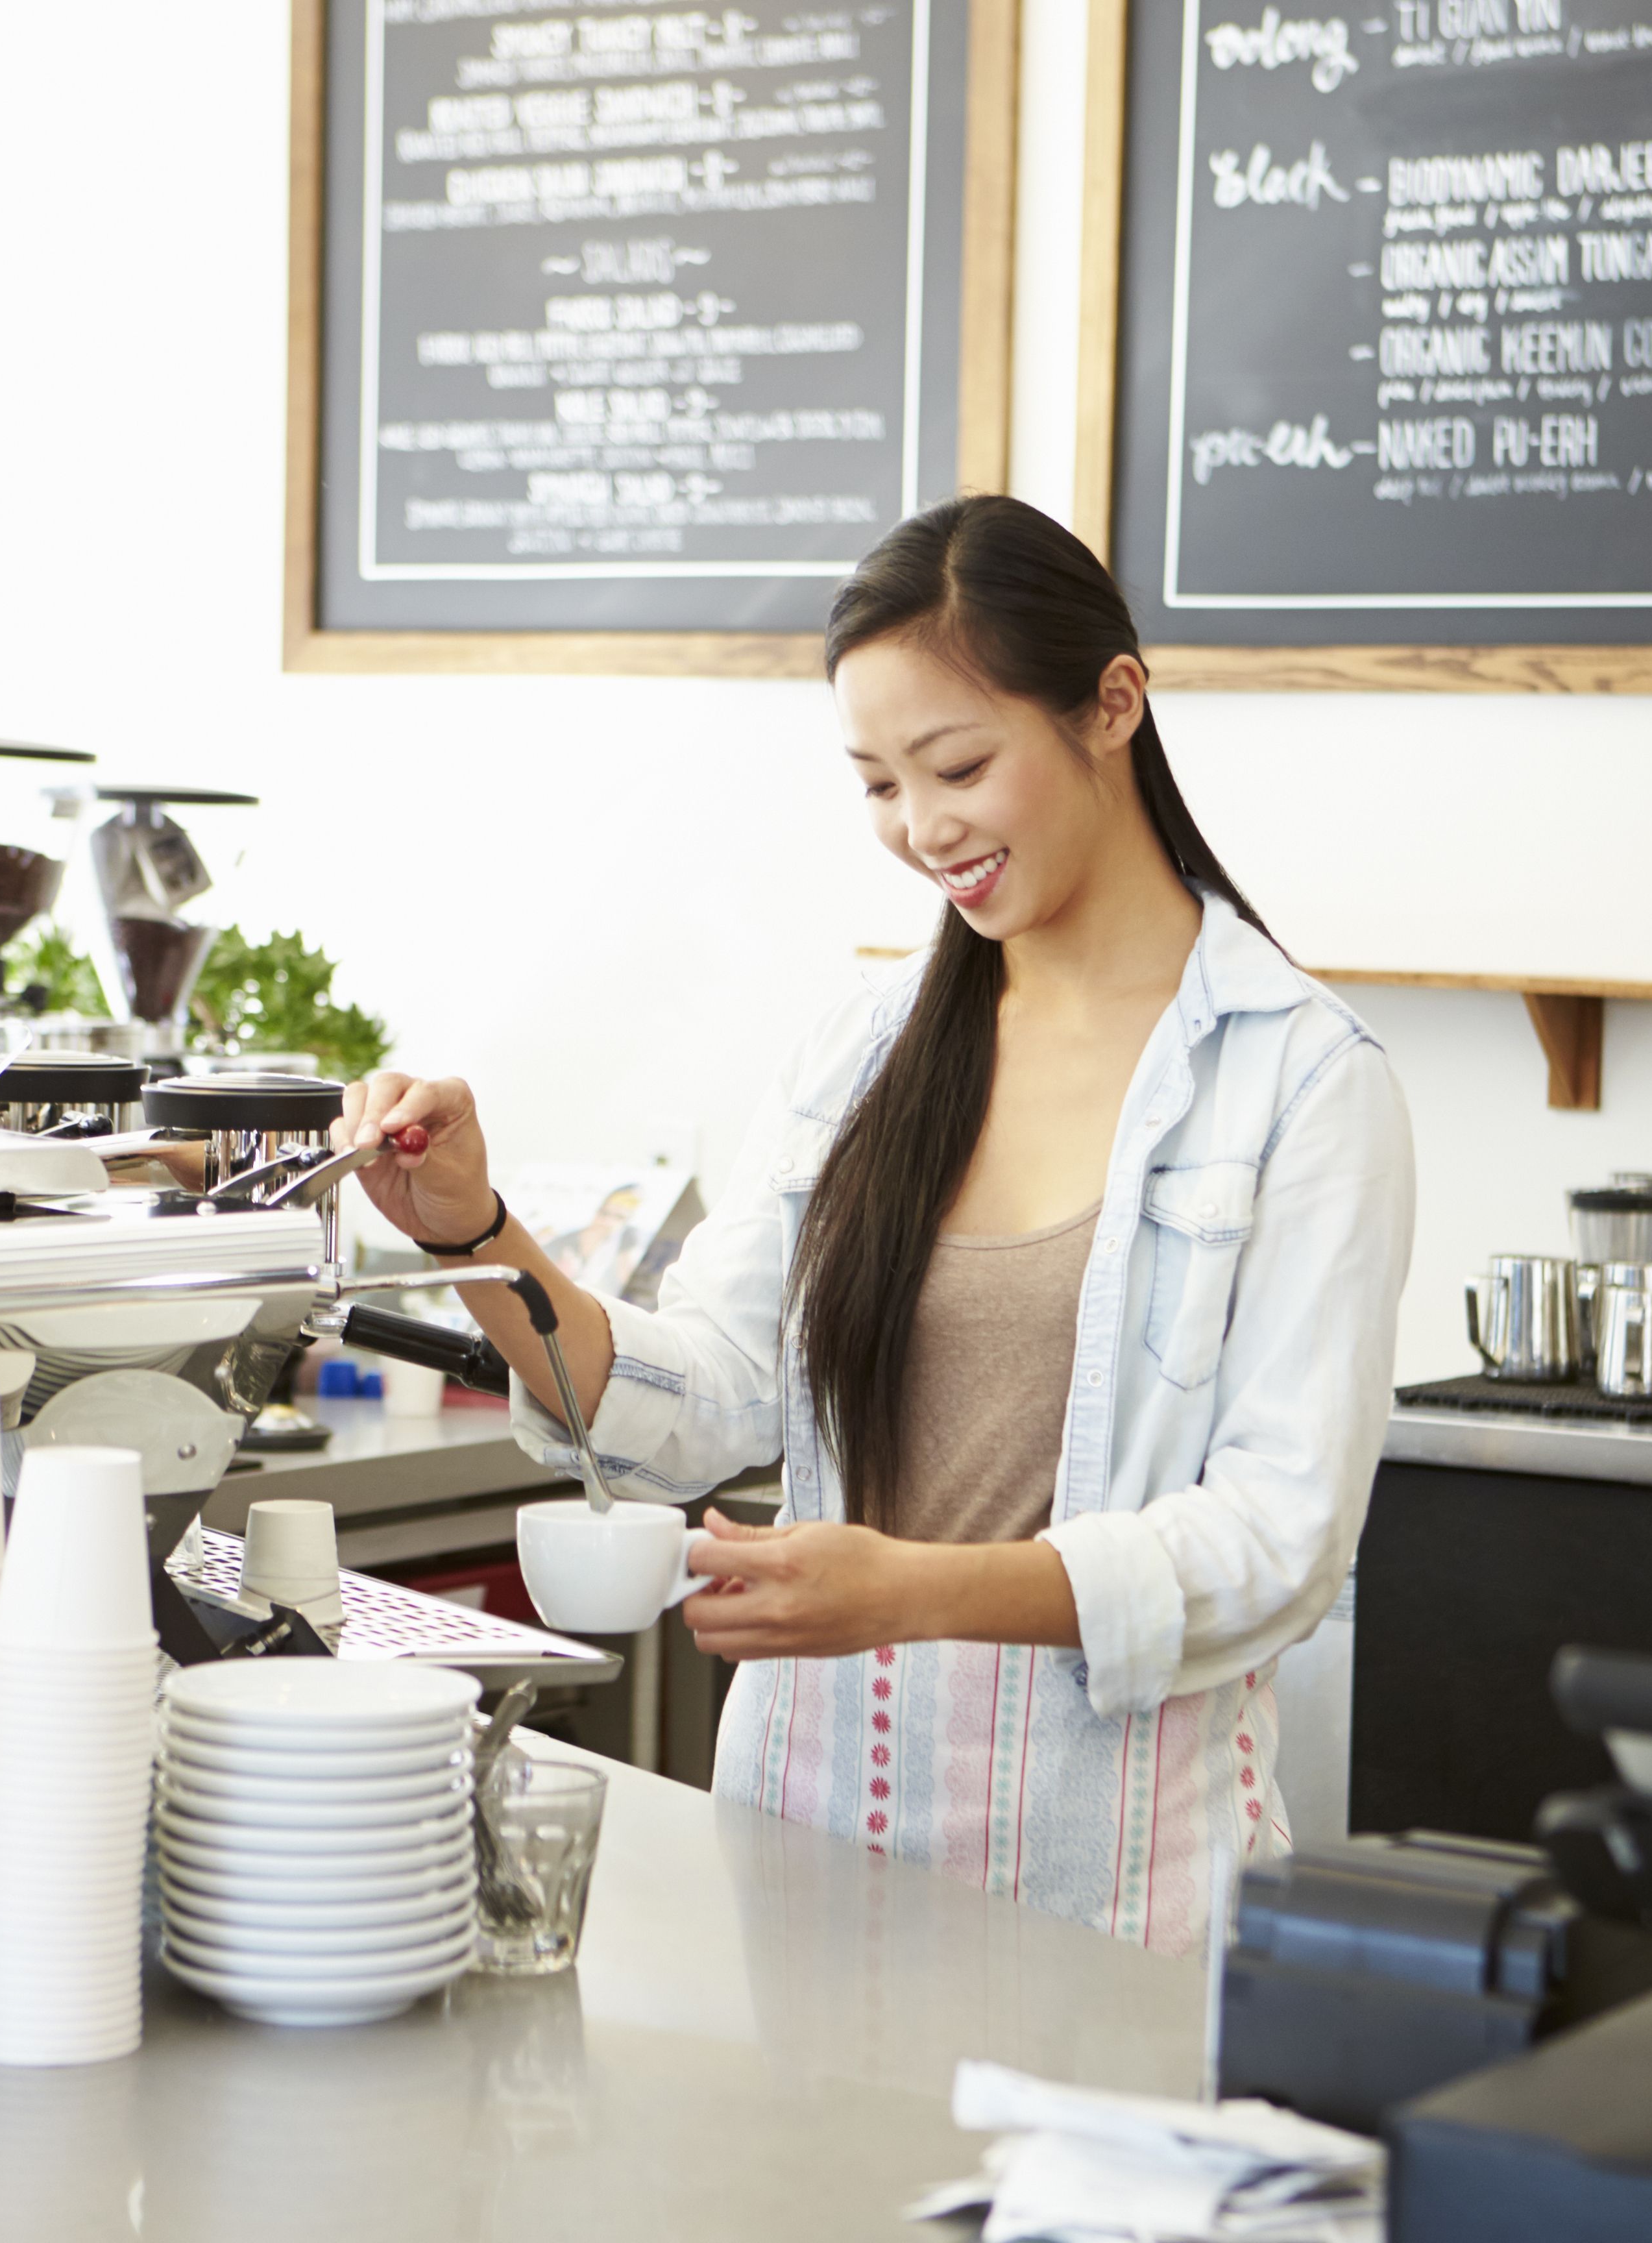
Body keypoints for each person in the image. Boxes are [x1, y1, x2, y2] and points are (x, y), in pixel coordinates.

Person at [334, 495, 1413, 1950]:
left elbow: (1277, 1543)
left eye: (957, 766)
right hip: (805, 1866)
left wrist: (913, 1591)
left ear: (1113, 704)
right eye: (878, 787)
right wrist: (481, 1240)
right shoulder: (867, 1050)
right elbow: (709, 1396)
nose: (922, 831)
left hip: (1118, 1903)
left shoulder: (1300, 1080)